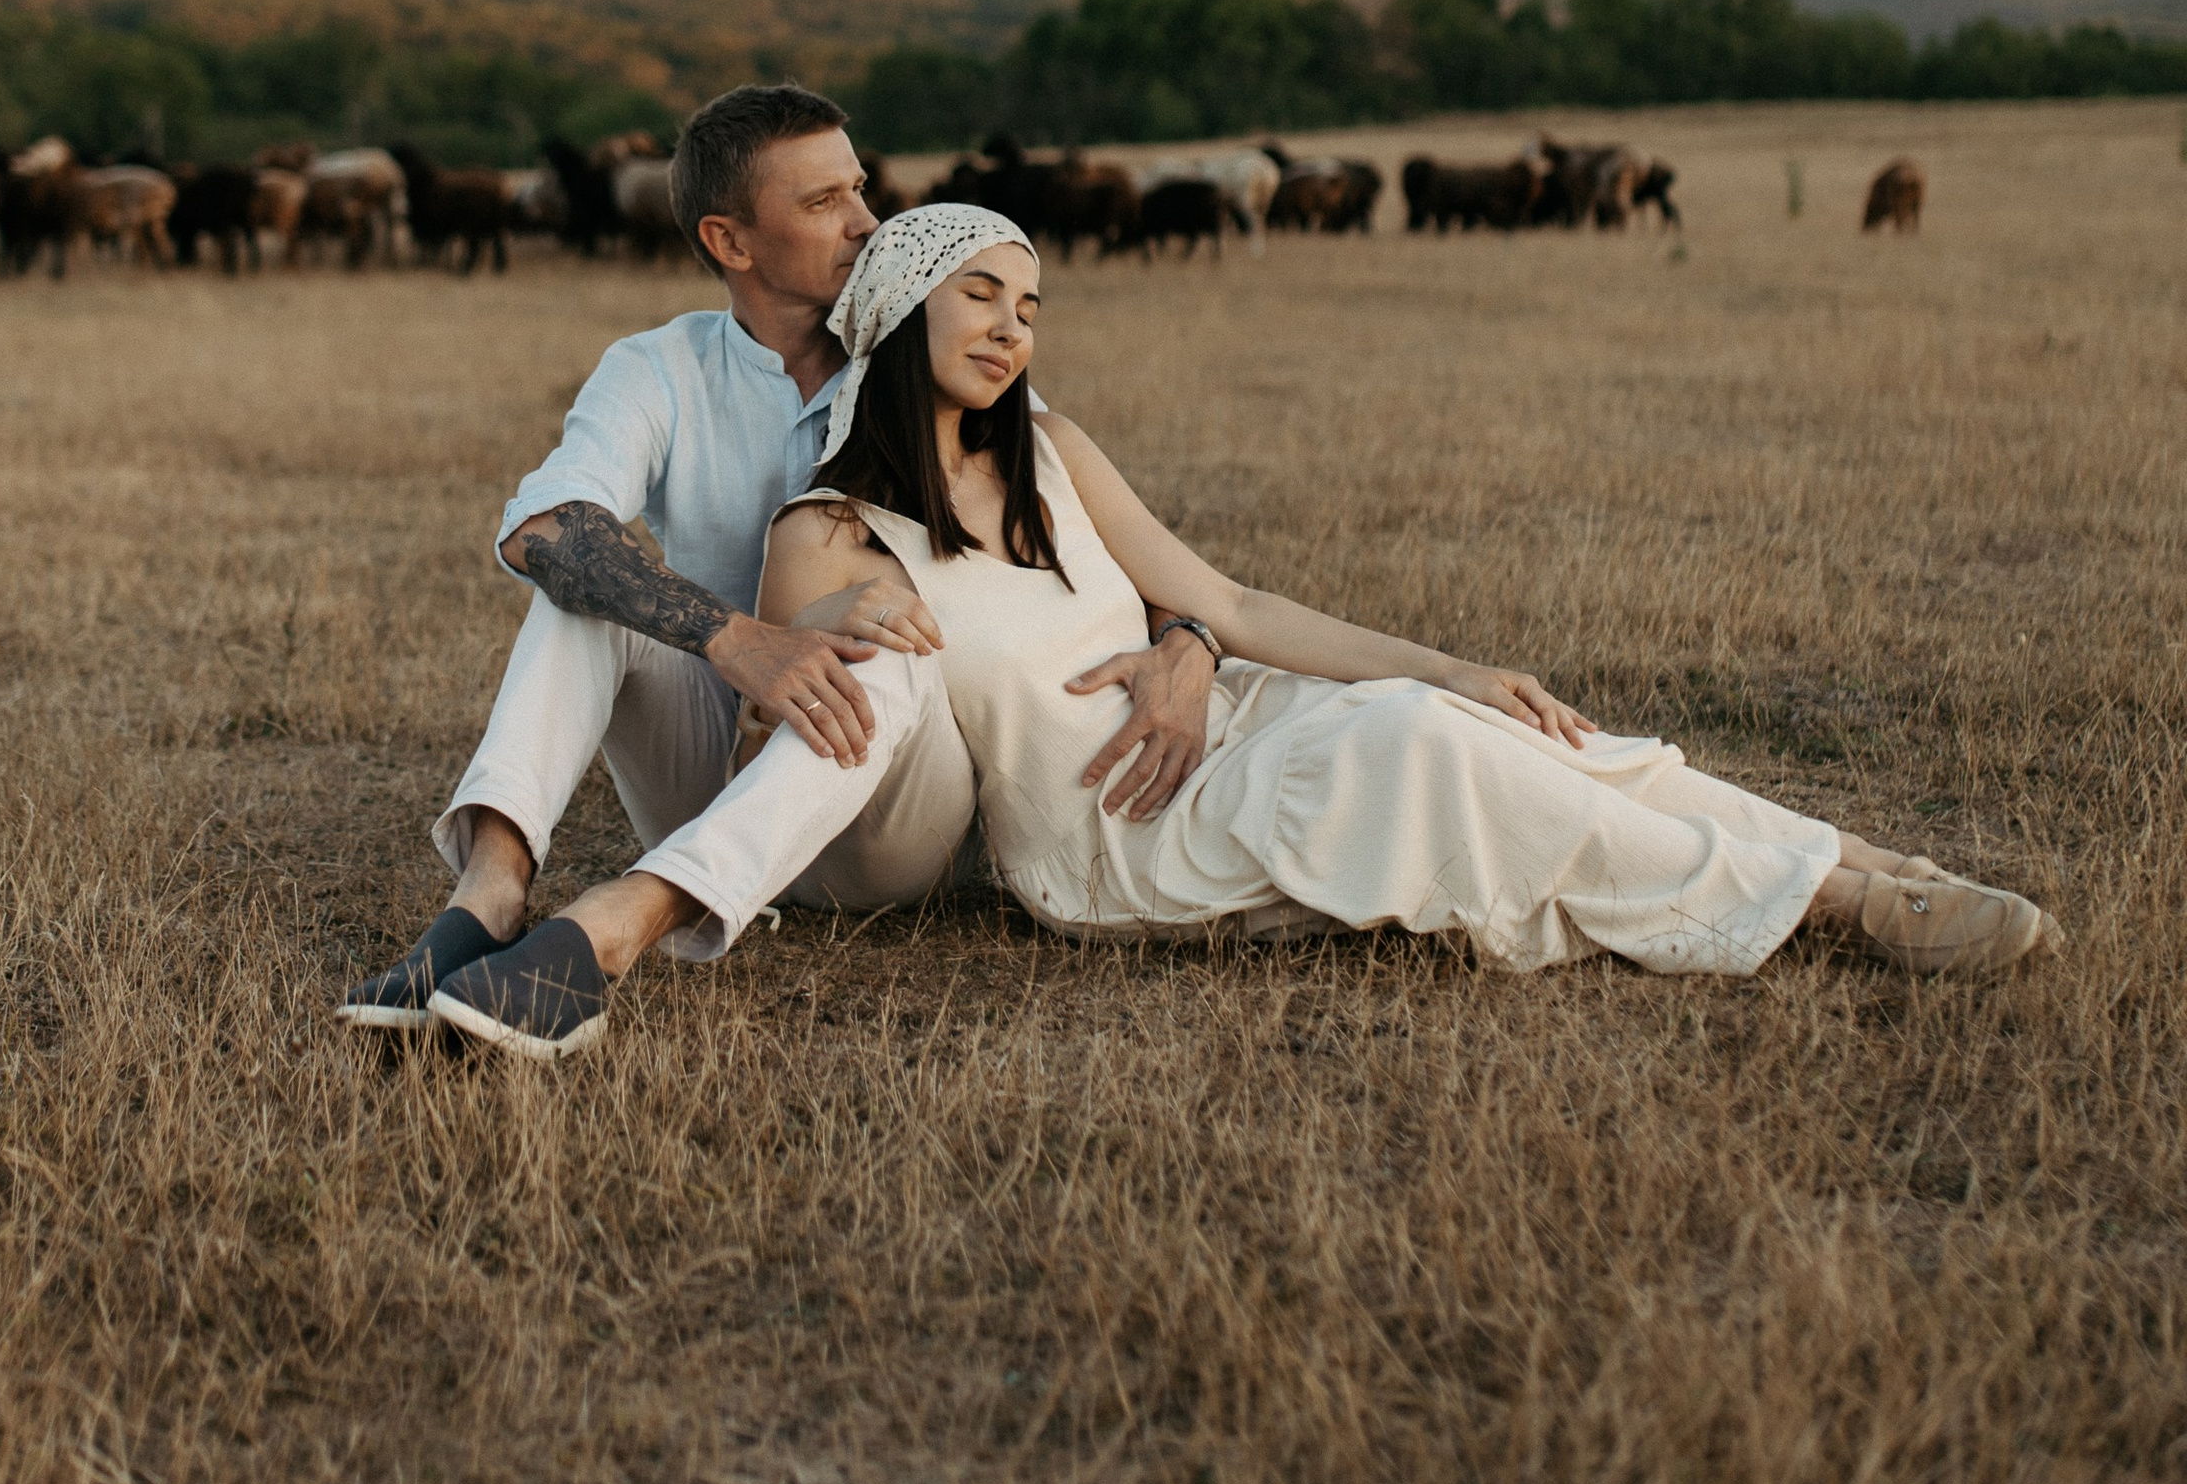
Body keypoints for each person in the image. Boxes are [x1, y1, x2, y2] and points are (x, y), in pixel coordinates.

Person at [745, 205, 2058, 983]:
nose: (1012, 327)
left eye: (1030, 305)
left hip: (1234, 730)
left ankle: (1870, 857)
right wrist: (812, 627)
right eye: (980, 295)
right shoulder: (830, 530)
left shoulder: (1056, 450)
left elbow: (1235, 606)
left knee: (1493, 725)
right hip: (1117, 837)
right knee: (1420, 743)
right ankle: (1833, 909)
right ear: (902, 303)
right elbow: (778, 717)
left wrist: (1451, 665)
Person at [337, 91, 1222, 1056]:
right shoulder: (658, 367)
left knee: (884, 627)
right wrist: (740, 639)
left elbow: (1110, 556)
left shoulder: (939, 359)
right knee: (584, 584)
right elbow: (541, 528)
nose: (867, 223)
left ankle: (616, 929)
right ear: (731, 240)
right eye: (822, 204)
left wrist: (1190, 642)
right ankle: (489, 900)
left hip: (897, 813)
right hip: (721, 765)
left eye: (861, 189)